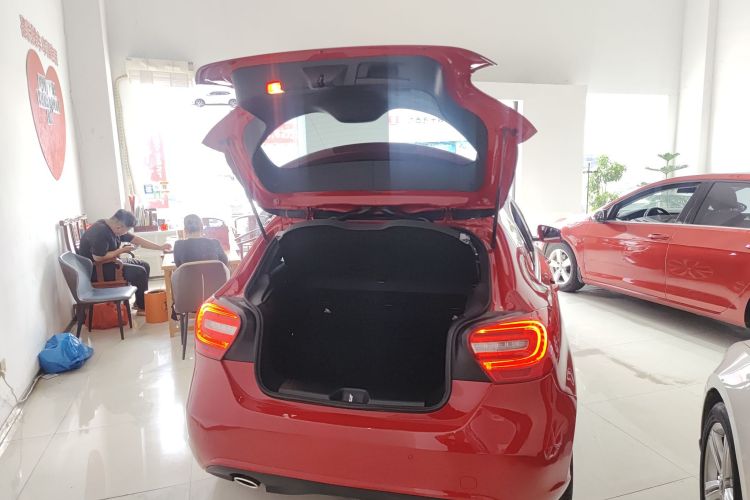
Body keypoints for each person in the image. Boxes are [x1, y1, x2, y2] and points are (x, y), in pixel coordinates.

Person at [78, 209, 172, 314]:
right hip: (97, 270)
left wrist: (160, 247)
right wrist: (122, 250)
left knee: (145, 265)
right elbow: (98, 257)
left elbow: (136, 240)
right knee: (139, 272)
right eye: (127, 230)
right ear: (119, 227)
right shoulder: (100, 231)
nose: (126, 233)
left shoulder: (113, 227)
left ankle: (139, 302)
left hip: (110, 262)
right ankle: (142, 307)